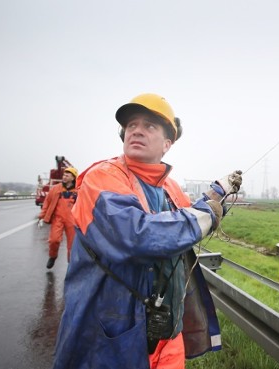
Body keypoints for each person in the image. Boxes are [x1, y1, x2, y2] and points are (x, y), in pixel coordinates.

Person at [52, 93, 242, 369]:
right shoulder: (103, 178)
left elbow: (182, 228)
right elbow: (136, 237)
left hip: (166, 332)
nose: (137, 130)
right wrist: (205, 215)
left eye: (149, 125)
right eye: (131, 125)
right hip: (109, 338)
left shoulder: (172, 189)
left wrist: (215, 196)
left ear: (167, 143)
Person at [38, 167, 78, 269]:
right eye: (64, 175)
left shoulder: (78, 190)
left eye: (67, 175)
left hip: (72, 220)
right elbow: (47, 203)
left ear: (73, 178)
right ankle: (53, 256)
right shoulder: (56, 189)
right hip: (58, 218)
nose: (64, 177)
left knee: (72, 244)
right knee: (53, 240)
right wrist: (41, 217)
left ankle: (71, 264)